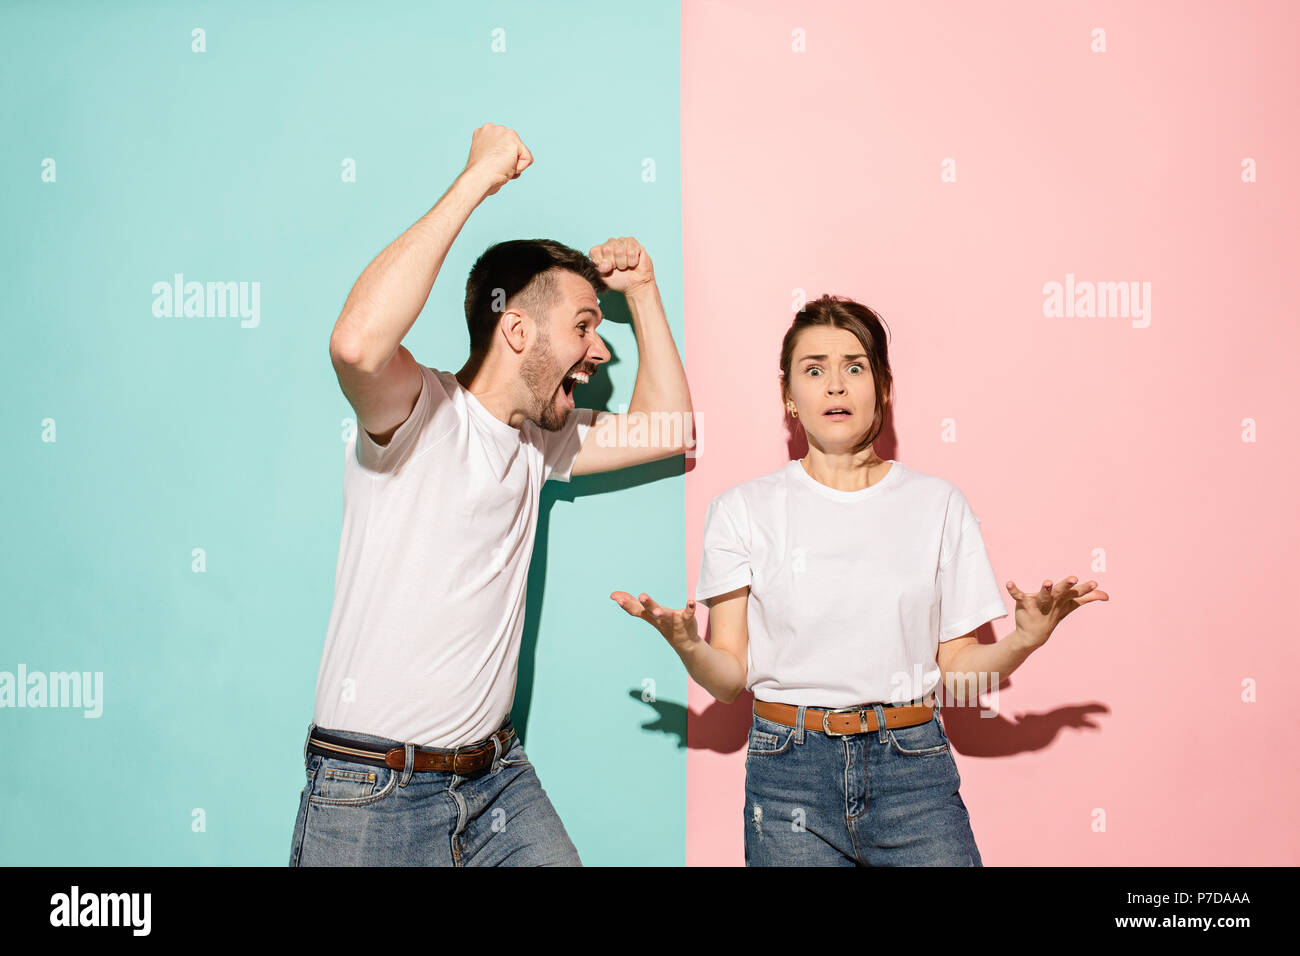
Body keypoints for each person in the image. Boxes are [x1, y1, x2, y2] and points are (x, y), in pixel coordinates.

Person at [290, 123, 693, 866]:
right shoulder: (417, 411)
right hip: (373, 785)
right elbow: (355, 343)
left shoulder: (543, 442)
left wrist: (643, 290)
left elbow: (669, 429)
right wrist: (478, 177)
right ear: (515, 332)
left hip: (496, 779)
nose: (598, 352)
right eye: (582, 327)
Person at [611, 294, 1108, 866]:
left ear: (884, 388)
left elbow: (956, 672)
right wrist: (688, 645)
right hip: (787, 774)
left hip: (913, 770)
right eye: (814, 370)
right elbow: (728, 681)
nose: (836, 386)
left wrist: (1024, 639)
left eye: (855, 367)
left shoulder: (937, 504)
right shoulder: (742, 510)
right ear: (788, 397)